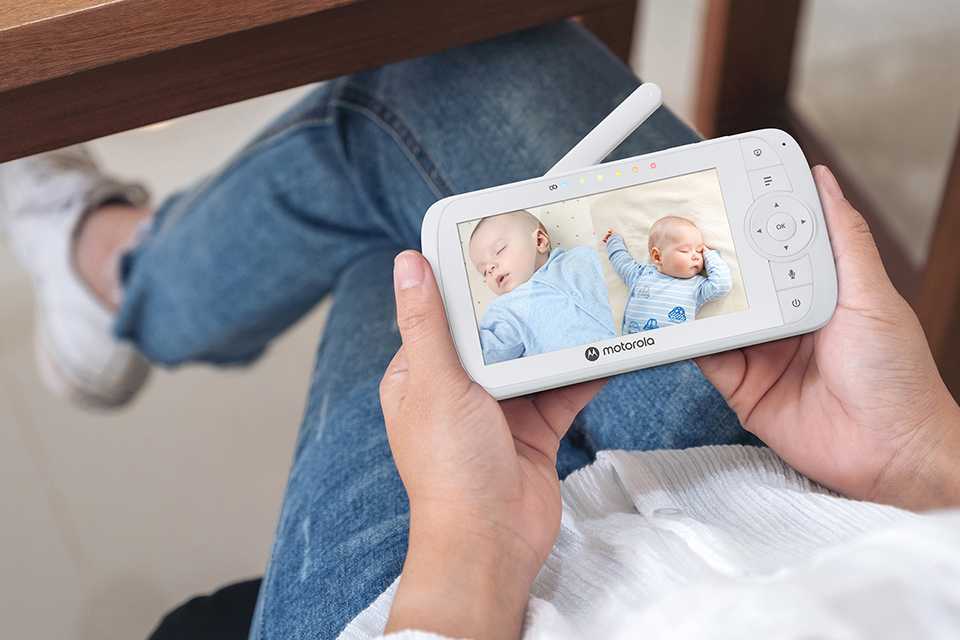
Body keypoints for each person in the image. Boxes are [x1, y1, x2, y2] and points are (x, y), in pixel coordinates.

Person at [1, 19, 958, 640]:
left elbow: (626, 274)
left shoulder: (594, 278)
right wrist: (922, 463)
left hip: (458, 600)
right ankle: (123, 273)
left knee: (403, 212)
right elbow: (623, 265)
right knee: (459, 86)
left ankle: (119, 273)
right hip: (835, 501)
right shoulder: (588, 266)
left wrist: (470, 546)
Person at [469, 210, 616, 363]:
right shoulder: (507, 310)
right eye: (484, 271)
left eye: (499, 250)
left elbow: (622, 272)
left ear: (539, 241)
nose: (490, 268)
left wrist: (614, 245)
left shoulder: (581, 257)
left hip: (629, 343)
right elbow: (485, 353)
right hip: (585, 371)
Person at [602, 216, 732, 333]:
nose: (696, 256)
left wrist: (710, 255)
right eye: (685, 250)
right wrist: (613, 241)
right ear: (657, 256)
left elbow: (722, 285)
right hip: (638, 345)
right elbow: (621, 261)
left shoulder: (697, 286)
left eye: (699, 251)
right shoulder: (640, 275)